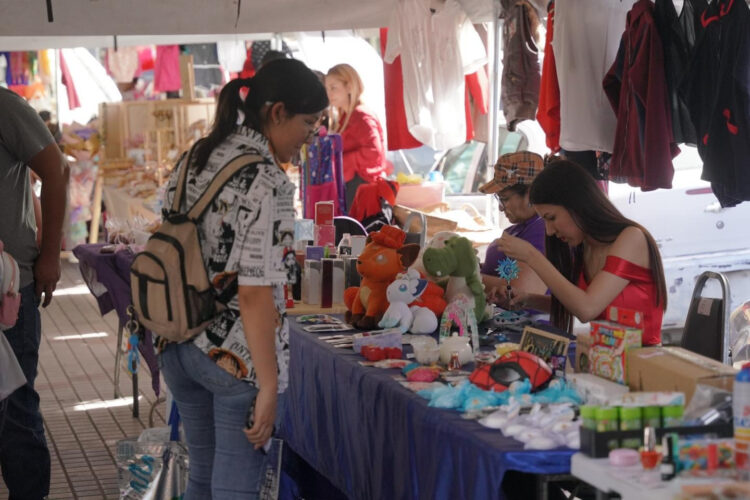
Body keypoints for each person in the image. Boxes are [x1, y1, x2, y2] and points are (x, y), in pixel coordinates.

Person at [158, 58, 327, 499]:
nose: (310, 137)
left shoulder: (198, 154)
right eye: (308, 123)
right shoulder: (269, 181)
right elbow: (253, 294)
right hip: (231, 356)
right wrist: (268, 386)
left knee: (201, 478)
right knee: (235, 490)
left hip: (176, 341)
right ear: (277, 112)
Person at [495, 159, 667, 345]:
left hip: (641, 359)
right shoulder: (585, 246)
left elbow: (587, 309)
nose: (549, 231)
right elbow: (578, 304)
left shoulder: (631, 238)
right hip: (605, 356)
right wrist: (528, 299)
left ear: (576, 204)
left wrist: (532, 256)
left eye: (551, 218)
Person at [0, 87, 69, 499]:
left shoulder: (4, 106)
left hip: (9, 288)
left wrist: (50, 255)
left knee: (14, 408)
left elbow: (56, 169)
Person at [478, 152, 547, 304]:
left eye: (504, 198)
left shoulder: (542, 229)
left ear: (530, 194)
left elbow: (522, 291)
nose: (501, 208)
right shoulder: (523, 227)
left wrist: (466, 277)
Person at [325, 63, 389, 209]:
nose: (329, 94)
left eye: (333, 88)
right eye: (327, 89)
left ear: (349, 87)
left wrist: (343, 161)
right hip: (352, 188)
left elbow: (374, 153)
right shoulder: (345, 118)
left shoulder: (361, 116)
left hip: (364, 189)